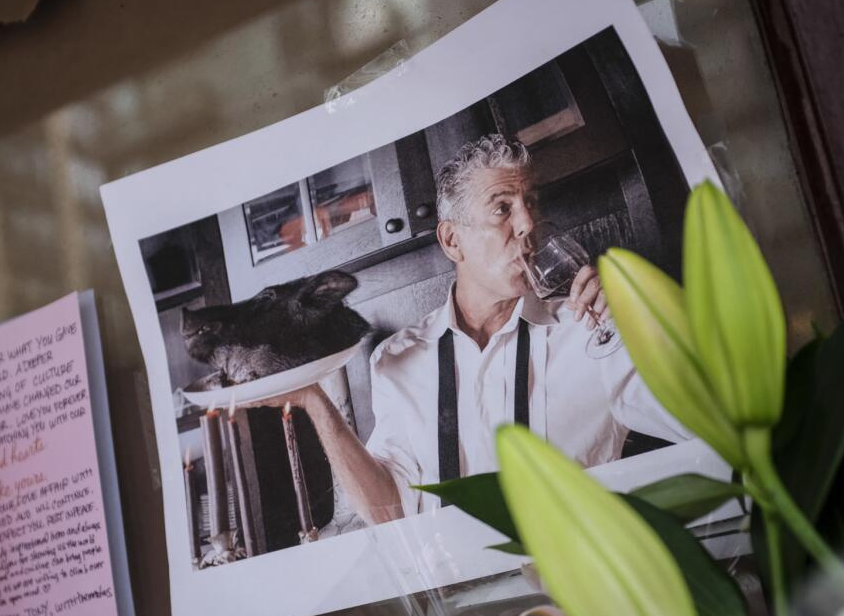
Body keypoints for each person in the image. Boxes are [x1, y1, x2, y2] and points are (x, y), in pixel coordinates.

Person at [261, 134, 692, 524]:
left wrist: (638, 318)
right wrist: (315, 400)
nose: (527, 224)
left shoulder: (590, 330)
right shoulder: (396, 360)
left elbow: (695, 427)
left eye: (532, 204)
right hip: (458, 604)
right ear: (452, 241)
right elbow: (389, 512)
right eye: (503, 207)